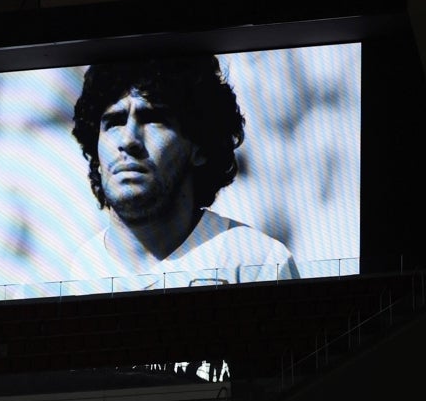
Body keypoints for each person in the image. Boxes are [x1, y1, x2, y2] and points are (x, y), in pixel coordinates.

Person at [67, 55, 300, 290]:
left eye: (153, 119)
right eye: (114, 122)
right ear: (96, 155)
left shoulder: (256, 261)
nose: (128, 140)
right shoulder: (81, 271)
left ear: (199, 146)